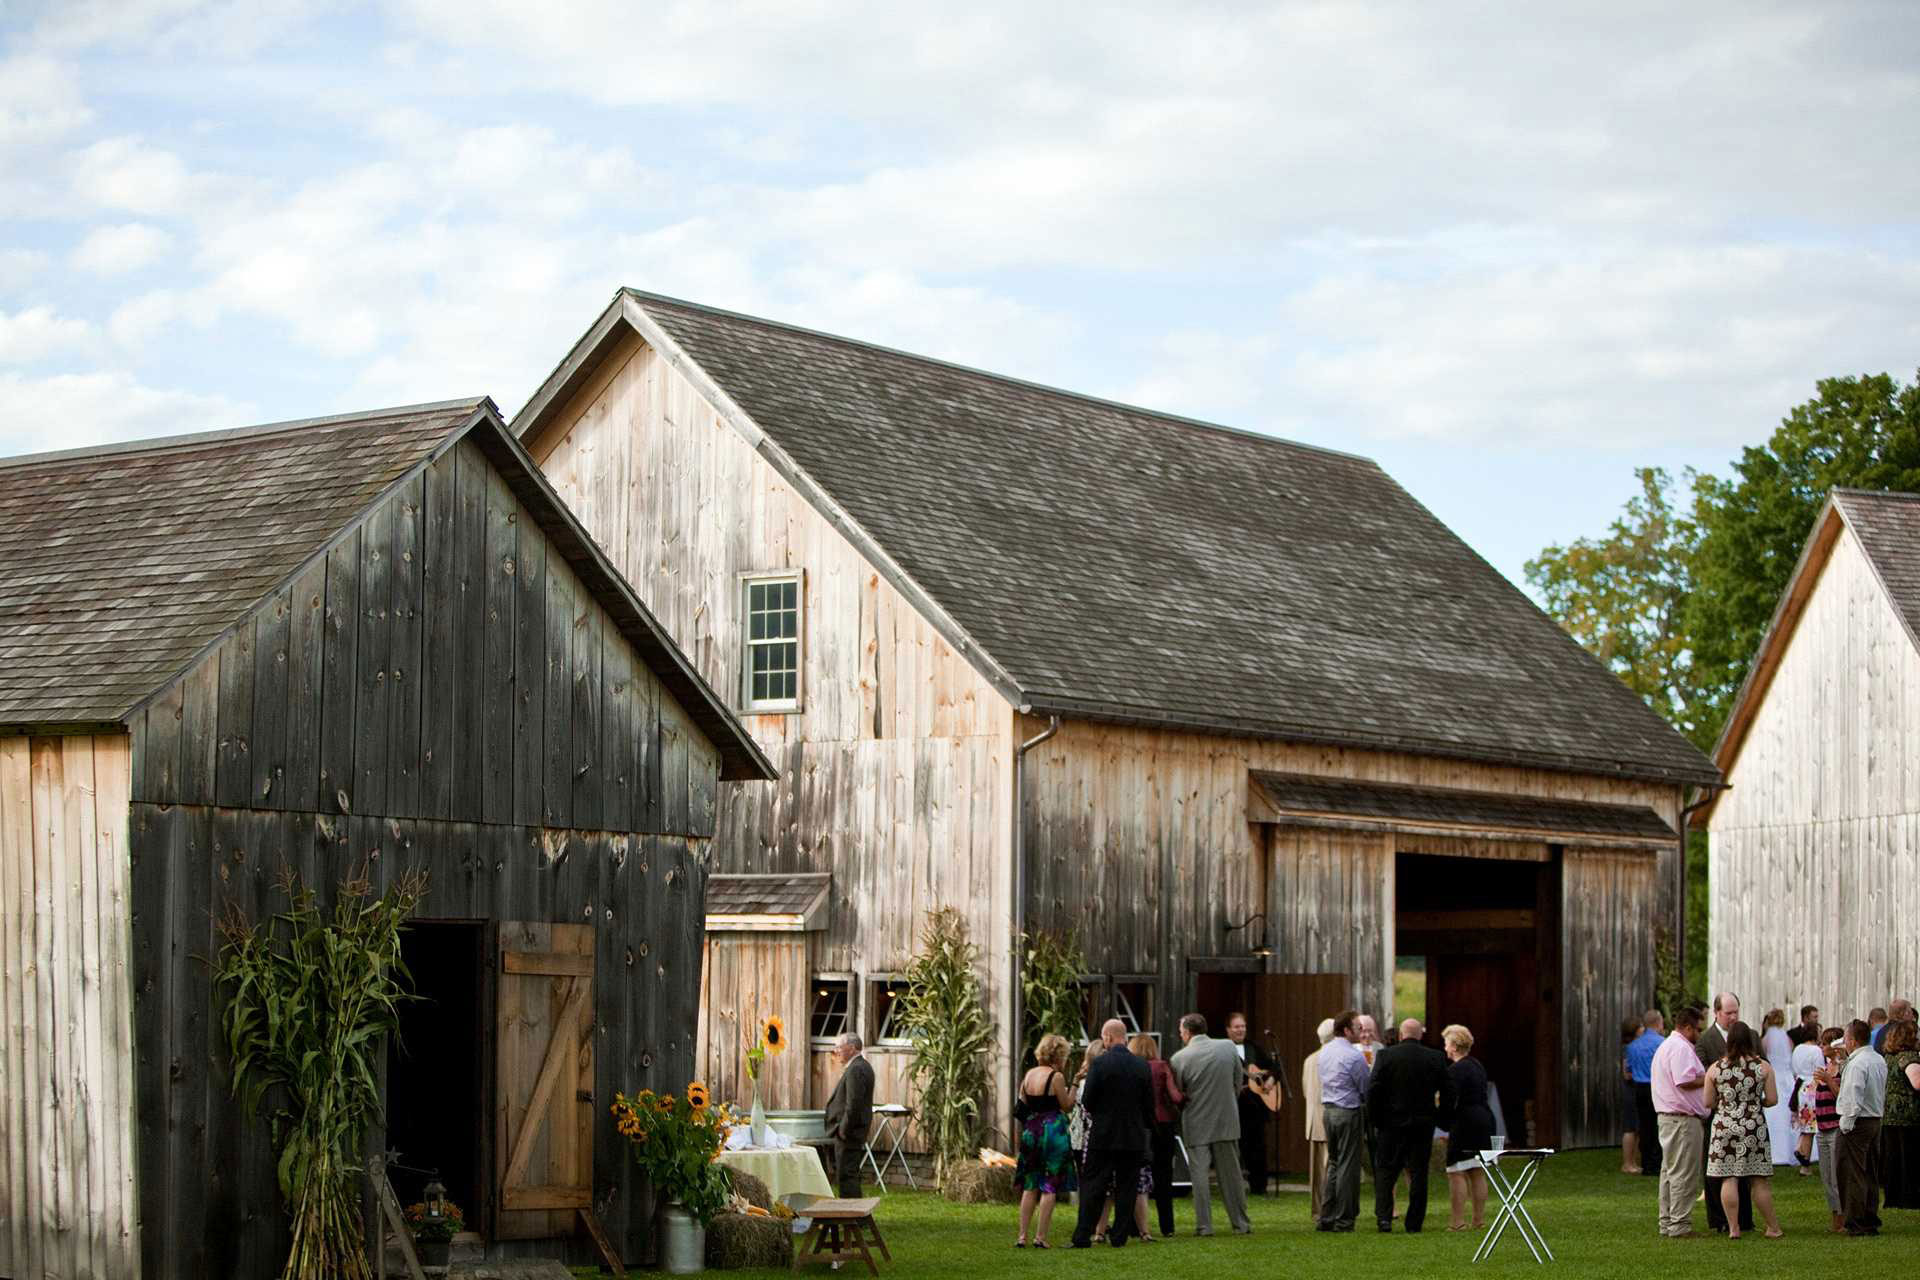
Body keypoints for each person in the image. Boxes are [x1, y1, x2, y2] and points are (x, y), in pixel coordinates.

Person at [1069, 1020, 1154, 1249]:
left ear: (1107, 1037)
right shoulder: (1142, 1066)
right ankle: (1119, 1236)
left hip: (1104, 1135)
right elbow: (1149, 1106)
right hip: (1133, 1136)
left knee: (1094, 1186)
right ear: (1124, 1038)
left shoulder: (1100, 1064)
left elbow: (1087, 1101)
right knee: (1127, 1187)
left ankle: (1083, 1235)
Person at [1169, 1012, 1252, 1236]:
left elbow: (1178, 1093)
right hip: (1226, 1119)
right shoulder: (1227, 1047)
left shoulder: (1179, 1059)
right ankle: (1241, 1223)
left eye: (1181, 1031)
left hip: (1196, 1122)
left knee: (1199, 1177)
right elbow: (1238, 1082)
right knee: (1232, 1176)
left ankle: (1205, 1226)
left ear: (1187, 1032)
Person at [1368, 1018, 1453, 1233]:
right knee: (1418, 1172)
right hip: (1422, 1124)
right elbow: (1449, 1090)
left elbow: (1373, 1090)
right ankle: (1414, 1222)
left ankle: (1384, 1218)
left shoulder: (1386, 1056)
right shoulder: (1435, 1057)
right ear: (1420, 1035)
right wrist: (1442, 1117)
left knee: (1386, 1170)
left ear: (1400, 1035)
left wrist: (1375, 1119)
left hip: (1390, 1123)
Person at [1703, 1022, 1784, 1238]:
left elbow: (1707, 1102)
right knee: (1758, 1178)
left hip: (1724, 1127)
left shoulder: (1715, 1068)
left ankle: (1733, 1228)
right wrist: (1756, 1104)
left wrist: (1726, 1104)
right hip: (1753, 1127)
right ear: (1750, 1039)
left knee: (1728, 1177)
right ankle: (1773, 1227)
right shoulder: (1763, 1067)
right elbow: (1773, 1099)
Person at [1696, 992, 1753, 1234]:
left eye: (1735, 1011)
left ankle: (1745, 1218)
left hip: (1746, 1115)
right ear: (1717, 1013)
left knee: (1745, 1169)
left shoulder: (1749, 1035)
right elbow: (1700, 1074)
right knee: (1716, 1170)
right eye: (1728, 1012)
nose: (1732, 1016)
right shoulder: (1706, 1041)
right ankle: (1719, 1219)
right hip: (1719, 1115)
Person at [1015, 1033, 1077, 1248]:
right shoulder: (1056, 1077)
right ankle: (1040, 1237)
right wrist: (1075, 1084)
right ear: (1059, 1055)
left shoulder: (1029, 1075)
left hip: (1031, 1131)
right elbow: (1067, 1105)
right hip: (1053, 1131)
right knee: (1049, 1185)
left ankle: (1022, 1236)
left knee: (1030, 1184)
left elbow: (1021, 1105)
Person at [1651, 1005, 1708, 1238]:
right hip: (1682, 1120)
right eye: (1698, 1029)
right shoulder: (1680, 1048)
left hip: (1670, 1119)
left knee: (1670, 1173)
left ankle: (1668, 1222)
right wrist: (1706, 1078)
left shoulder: (1667, 1045)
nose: (1700, 1033)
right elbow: (1683, 1080)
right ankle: (1679, 1225)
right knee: (1684, 1173)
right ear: (1687, 1027)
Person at [1316, 1009, 1371, 1233]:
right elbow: (1364, 1087)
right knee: (1348, 1166)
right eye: (1358, 1027)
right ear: (1347, 1030)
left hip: (1328, 1111)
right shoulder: (1354, 1056)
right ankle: (1344, 1219)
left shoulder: (1324, 1052)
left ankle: (1326, 1217)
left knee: (1334, 1164)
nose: (1361, 1031)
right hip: (1348, 1111)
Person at [1837, 1018, 1887, 1235]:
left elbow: (1852, 1096)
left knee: (1852, 1172)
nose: (1845, 1043)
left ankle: (1855, 1220)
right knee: (1870, 1171)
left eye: (1846, 1039)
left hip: (1858, 1121)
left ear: (1853, 1040)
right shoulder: (1877, 1059)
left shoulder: (1857, 1064)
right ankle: (1869, 1216)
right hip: (1875, 1119)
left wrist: (1846, 1124)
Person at [1442, 1024, 1493, 1232]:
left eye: (1446, 1043)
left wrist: (1443, 1122)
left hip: (1465, 1122)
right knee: (1477, 1170)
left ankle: (1457, 1222)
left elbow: (1449, 1100)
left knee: (1456, 1170)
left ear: (1454, 1046)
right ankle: (1478, 1220)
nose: (1444, 1048)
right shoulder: (1477, 1065)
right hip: (1484, 1119)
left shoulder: (1455, 1070)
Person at [1133, 1032, 1182, 1241]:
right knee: (1164, 1178)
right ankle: (1167, 1226)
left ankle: (1133, 1227)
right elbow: (1175, 1096)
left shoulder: (1133, 1068)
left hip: (1138, 1126)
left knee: (1134, 1178)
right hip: (1163, 1126)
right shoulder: (1162, 1066)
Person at [1226, 1012, 1279, 1196]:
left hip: (1256, 1107)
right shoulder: (1224, 1050)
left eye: (1243, 1026)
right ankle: (1234, 1186)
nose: (1241, 1030)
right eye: (1236, 1027)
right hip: (1235, 1107)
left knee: (1258, 1146)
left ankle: (1259, 1186)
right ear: (1228, 1030)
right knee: (1235, 1148)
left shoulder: (1254, 1047)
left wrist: (1271, 1080)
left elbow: (1274, 1067)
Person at [824, 1031, 874, 1197]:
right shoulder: (859, 1066)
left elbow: (853, 1104)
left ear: (852, 1048)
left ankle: (851, 1217)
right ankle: (855, 1217)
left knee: (847, 1177)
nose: (836, 1051)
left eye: (839, 1047)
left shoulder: (856, 1069)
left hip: (849, 1133)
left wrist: (843, 1129)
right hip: (851, 1132)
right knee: (848, 1175)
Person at [1879, 1017, 1920, 1210]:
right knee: (1909, 1158)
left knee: (1893, 1158)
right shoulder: (1909, 1058)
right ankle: (1909, 1198)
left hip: (1888, 1113)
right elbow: (1917, 1083)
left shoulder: (1888, 1057)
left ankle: (1893, 1197)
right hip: (1908, 1115)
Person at [1812, 1027, 1846, 1231]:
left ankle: (1842, 1219)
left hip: (1835, 1127)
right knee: (1826, 1177)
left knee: (1836, 1176)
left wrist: (1827, 1081)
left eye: (1824, 1043)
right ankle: (1835, 1218)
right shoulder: (1825, 1067)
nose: (1821, 1047)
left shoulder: (1842, 1068)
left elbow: (1842, 1096)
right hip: (1822, 1128)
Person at [1626, 1010, 1665, 1177]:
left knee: (1644, 1126)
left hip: (1638, 1089)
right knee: (1658, 1125)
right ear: (1658, 1023)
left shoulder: (1633, 1046)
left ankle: (1646, 1163)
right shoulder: (1662, 1043)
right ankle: (1657, 1164)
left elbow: (1628, 1069)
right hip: (1656, 1088)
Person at [1303, 1018, 1334, 1221]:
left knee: (1316, 1173)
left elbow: (1306, 1090)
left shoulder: (1309, 1059)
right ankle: (1330, 1209)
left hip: (1313, 1119)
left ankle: (1317, 1211)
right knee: (1330, 1168)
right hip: (1330, 1118)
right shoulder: (1334, 1057)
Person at [1760, 1009, 1796, 1166]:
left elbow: (1764, 1057)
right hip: (1787, 1077)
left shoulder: (1766, 1038)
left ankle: (1775, 1152)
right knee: (1788, 1114)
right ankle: (1791, 1149)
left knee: (1773, 1114)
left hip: (1774, 1076)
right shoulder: (1787, 1038)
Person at [1787, 1024, 1822, 1175]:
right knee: (1810, 1127)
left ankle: (1803, 1157)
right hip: (1812, 1088)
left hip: (1799, 1087)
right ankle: (1803, 1158)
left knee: (1805, 1124)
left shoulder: (1797, 1049)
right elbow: (1820, 1069)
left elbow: (1794, 1069)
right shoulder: (1816, 1050)